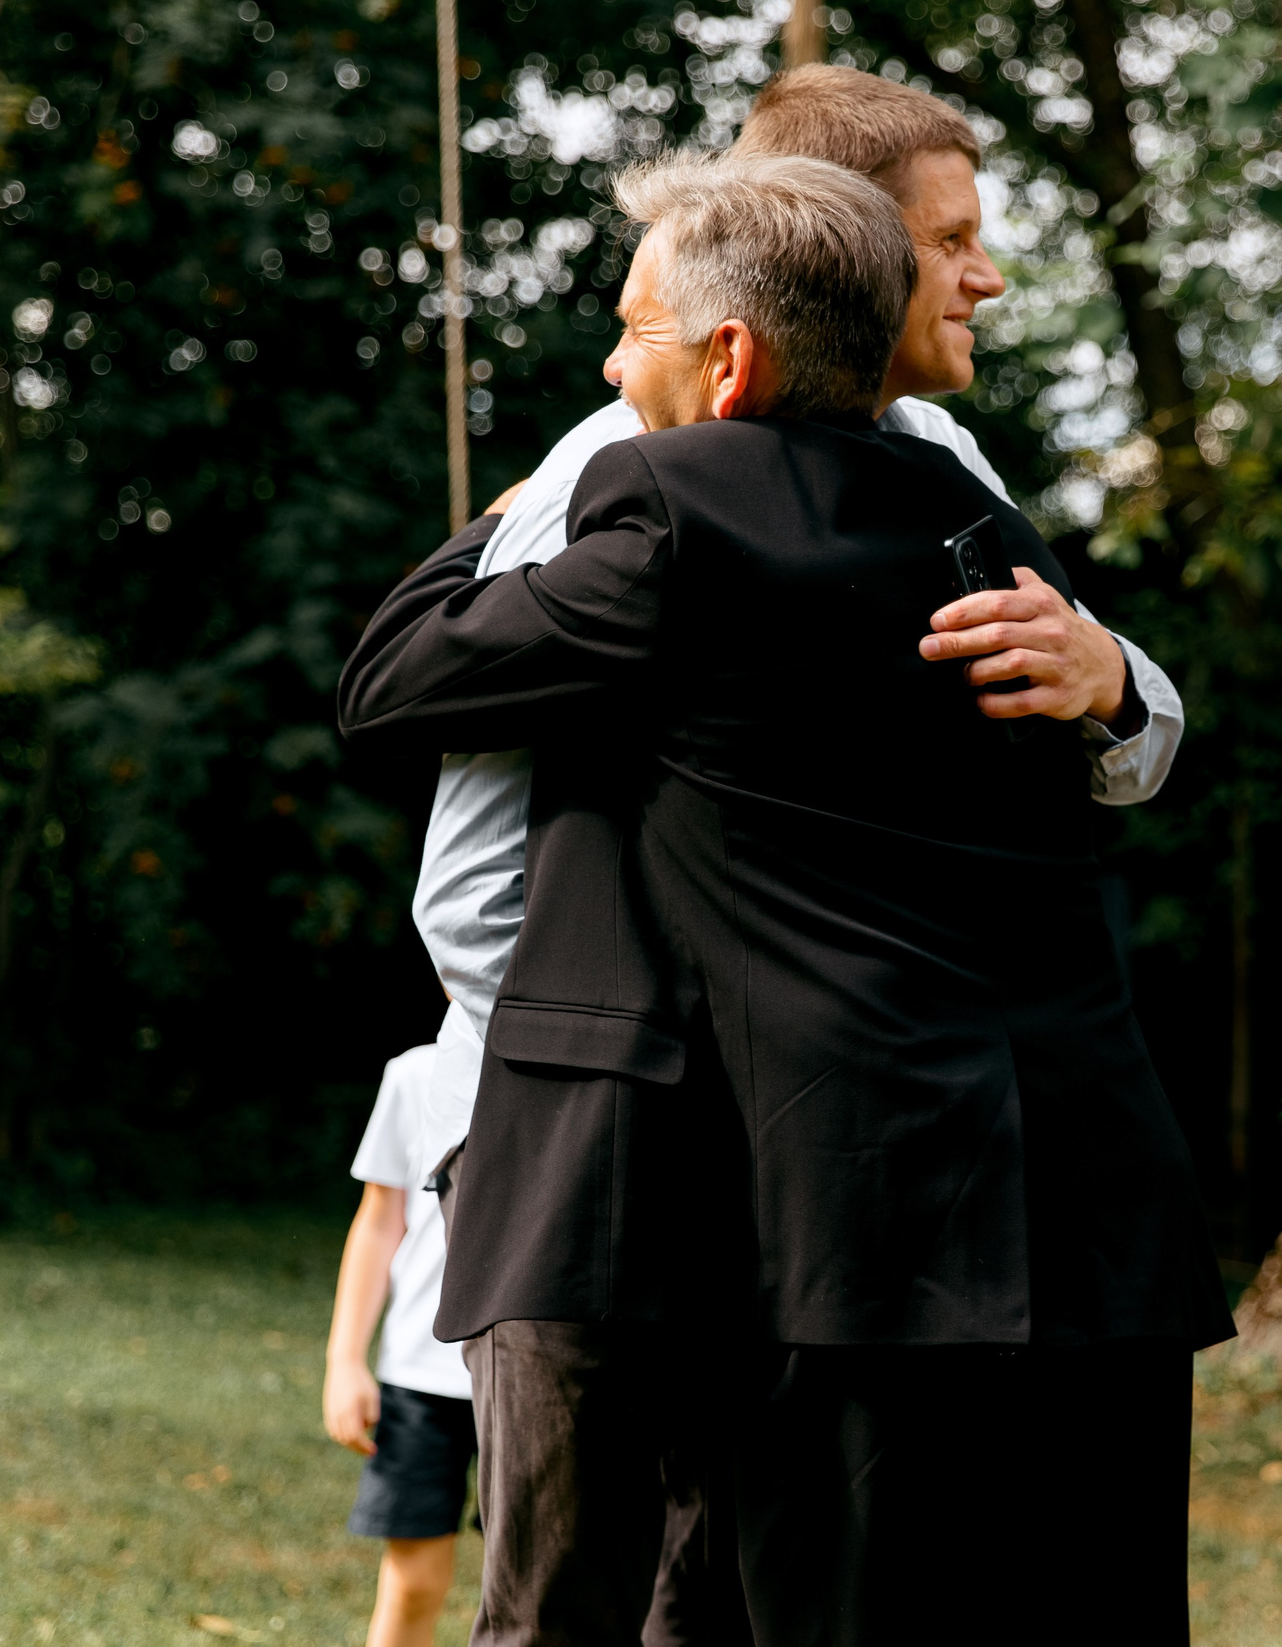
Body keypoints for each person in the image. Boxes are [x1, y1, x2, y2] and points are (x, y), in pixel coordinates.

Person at [339, 149, 1232, 1645]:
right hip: (1051, 1187)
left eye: (636, 331)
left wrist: (514, 517)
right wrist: (1125, 685)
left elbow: (393, 689)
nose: (616, 367)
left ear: (731, 356)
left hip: (786, 1198)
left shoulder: (663, 502)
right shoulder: (978, 522)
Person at [323, 1043, 479, 1647]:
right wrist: (344, 1361)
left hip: (532, 1376)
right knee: (413, 1585)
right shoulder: (415, 1074)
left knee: (528, 1585)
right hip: (420, 1378)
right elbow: (379, 1220)